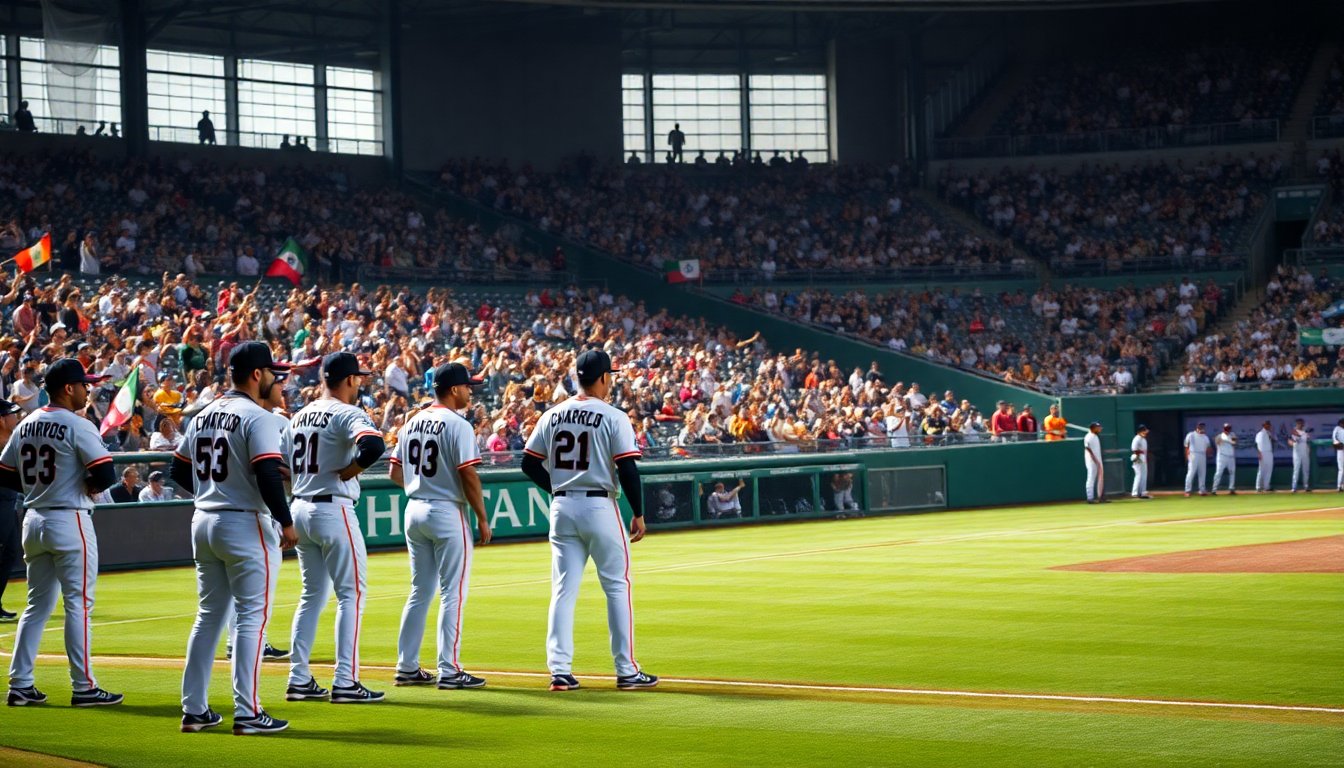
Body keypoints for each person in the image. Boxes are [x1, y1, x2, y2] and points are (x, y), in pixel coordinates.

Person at [172, 341, 297, 735]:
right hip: (244, 524)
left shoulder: (203, 415)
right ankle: (249, 712)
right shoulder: (256, 417)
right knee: (250, 621)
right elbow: (266, 473)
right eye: (272, 372)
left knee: (209, 617)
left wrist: (212, 491)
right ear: (257, 375)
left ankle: (194, 709)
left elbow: (177, 471)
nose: (276, 378)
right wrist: (286, 521)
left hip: (204, 520)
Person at [521, 349, 658, 692]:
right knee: (616, 586)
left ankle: (560, 671)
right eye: (609, 375)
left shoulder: (553, 414)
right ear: (602, 378)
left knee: (563, 590)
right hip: (599, 506)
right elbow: (627, 467)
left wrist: (555, 488)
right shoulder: (613, 416)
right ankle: (626, 671)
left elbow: (528, 463)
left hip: (562, 507)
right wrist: (638, 513)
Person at [1, 359, 120, 708]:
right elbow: (106, 474)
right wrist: (84, 484)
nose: (88, 388)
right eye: (84, 384)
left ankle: (20, 683)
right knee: (79, 605)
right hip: (69, 519)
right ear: (68, 388)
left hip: (34, 518)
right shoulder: (77, 424)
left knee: (36, 606)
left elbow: (5, 474)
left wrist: (40, 488)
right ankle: (84, 687)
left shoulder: (27, 423)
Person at [286, 353, 386, 704]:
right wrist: (351, 469)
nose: (359, 383)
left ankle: (298, 677)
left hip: (299, 506)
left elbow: (283, 468)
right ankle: (346, 680)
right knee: (351, 595)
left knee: (311, 595)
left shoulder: (299, 414)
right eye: (358, 378)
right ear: (348, 380)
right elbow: (374, 445)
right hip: (333, 507)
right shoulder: (347, 412)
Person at [390, 363, 492, 690]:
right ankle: (450, 669)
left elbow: (394, 474)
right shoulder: (458, 424)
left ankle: (406, 666)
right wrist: (482, 517)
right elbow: (469, 475)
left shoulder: (412, 421)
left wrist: (422, 483)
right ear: (453, 390)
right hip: (447, 512)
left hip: (414, 509)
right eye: (467, 386)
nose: (470, 391)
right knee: (453, 593)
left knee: (420, 591)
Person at [0, 398, 24, 621]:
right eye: (11, 414)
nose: (15, 418)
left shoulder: (12, 440)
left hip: (9, 501)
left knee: (10, 554)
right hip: (1, 503)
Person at [1183, 422, 1212, 497]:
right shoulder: (1191, 434)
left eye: (1203, 426)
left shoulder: (1205, 437)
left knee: (1202, 473)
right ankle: (1187, 490)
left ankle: (1202, 490)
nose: (1201, 427)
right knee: (1191, 472)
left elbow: (1208, 447)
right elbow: (1186, 446)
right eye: (1200, 426)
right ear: (1197, 426)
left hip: (1202, 454)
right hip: (1193, 454)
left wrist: (1209, 455)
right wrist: (1186, 455)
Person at [1211, 423, 1238, 495]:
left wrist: (1228, 441)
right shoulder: (1219, 436)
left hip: (1231, 457)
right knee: (1218, 473)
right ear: (1223, 428)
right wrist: (1224, 440)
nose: (1228, 429)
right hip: (1222, 457)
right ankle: (1214, 489)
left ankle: (1231, 488)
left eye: (1229, 428)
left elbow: (1235, 443)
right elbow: (1217, 442)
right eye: (1226, 428)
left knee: (1232, 472)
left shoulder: (1232, 435)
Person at [1083, 421, 1105, 504]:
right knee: (1091, 478)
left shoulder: (1095, 436)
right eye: (1097, 427)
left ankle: (1100, 497)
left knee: (1100, 478)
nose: (1099, 429)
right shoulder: (1088, 436)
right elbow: (1087, 448)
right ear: (1093, 428)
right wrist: (1094, 459)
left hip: (1097, 460)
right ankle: (1090, 498)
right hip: (1091, 461)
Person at [1287, 418, 1311, 492]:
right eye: (1299, 423)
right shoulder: (1294, 431)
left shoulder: (1305, 432)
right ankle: (1294, 487)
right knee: (1296, 469)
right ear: (1297, 424)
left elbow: (1308, 441)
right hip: (1297, 452)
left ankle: (1306, 485)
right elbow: (1290, 441)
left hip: (1305, 452)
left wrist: (1308, 447)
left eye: (1302, 423)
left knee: (1306, 469)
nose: (1301, 424)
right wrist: (1294, 441)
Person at [1130, 424, 1151, 499]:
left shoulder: (1143, 439)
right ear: (1140, 431)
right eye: (1144, 431)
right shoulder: (1137, 438)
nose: (1145, 432)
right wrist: (1138, 457)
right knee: (1138, 475)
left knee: (1143, 475)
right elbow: (1134, 449)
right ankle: (1135, 492)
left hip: (1143, 457)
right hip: (1138, 457)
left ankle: (1142, 492)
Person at [1254, 420, 1275, 493]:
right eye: (1267, 425)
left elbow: (1273, 441)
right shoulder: (1260, 433)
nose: (1269, 426)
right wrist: (1259, 453)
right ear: (1264, 425)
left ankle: (1266, 486)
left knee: (1269, 469)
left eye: (1269, 425)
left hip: (1269, 452)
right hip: (1263, 452)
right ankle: (1258, 487)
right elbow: (1257, 444)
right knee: (1261, 470)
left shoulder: (1269, 433)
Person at [1332, 417, 1344, 492]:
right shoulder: (1337, 429)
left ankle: (1342, 485)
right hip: (1341, 450)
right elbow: (1335, 440)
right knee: (1341, 469)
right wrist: (1338, 444)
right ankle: (1339, 486)